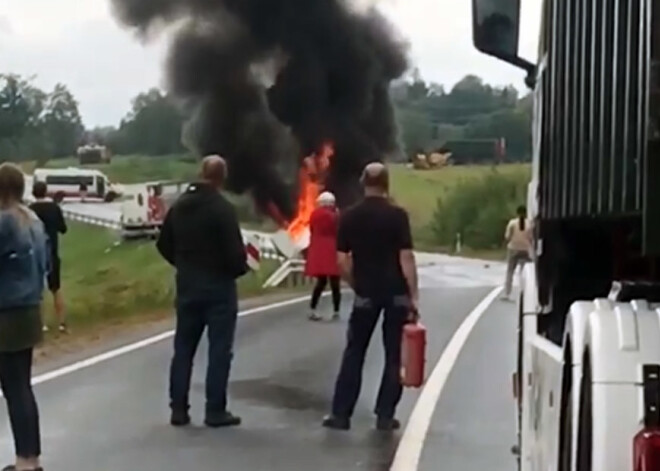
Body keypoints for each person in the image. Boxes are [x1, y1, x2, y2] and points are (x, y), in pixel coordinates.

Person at [323, 162, 418, 432]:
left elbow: (341, 261)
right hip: (396, 293)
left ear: (363, 183)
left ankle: (341, 415)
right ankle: (385, 415)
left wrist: (356, 284)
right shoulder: (398, 216)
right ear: (387, 184)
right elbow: (406, 257)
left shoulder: (349, 217)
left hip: (366, 293)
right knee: (393, 355)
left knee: (355, 352)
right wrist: (413, 294)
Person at [156, 155, 248, 428]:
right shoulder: (222, 208)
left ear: (201, 172)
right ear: (222, 177)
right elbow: (235, 253)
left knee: (183, 349)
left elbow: (163, 244)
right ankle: (215, 410)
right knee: (220, 350)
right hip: (218, 289)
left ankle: (178, 409)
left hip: (188, 286)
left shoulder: (180, 206)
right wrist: (238, 270)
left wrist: (183, 264)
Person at [0, 163, 49, 471]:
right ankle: (30, 456)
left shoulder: (4, 223)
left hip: (6, 312)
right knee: (22, 386)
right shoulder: (33, 220)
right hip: (30, 307)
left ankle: (25, 462)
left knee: (14, 388)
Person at [30, 182, 68, 333]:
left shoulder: (30, 210)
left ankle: (42, 324)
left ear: (33, 193)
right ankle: (61, 323)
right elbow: (63, 229)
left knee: (38, 291)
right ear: (45, 192)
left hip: (35, 254)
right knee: (56, 289)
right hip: (52, 252)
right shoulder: (54, 208)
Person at [305, 191, 341, 321]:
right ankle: (336, 311)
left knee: (321, 281)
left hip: (318, 250)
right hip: (332, 249)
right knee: (335, 283)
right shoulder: (334, 216)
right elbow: (337, 230)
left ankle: (312, 309)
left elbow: (312, 230)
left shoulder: (314, 215)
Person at [502, 205, 532, 301]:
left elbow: (507, 236)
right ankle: (523, 294)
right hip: (525, 250)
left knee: (510, 271)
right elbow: (531, 238)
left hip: (513, 249)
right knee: (523, 273)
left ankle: (507, 293)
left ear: (517, 213)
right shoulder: (530, 224)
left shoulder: (512, 223)